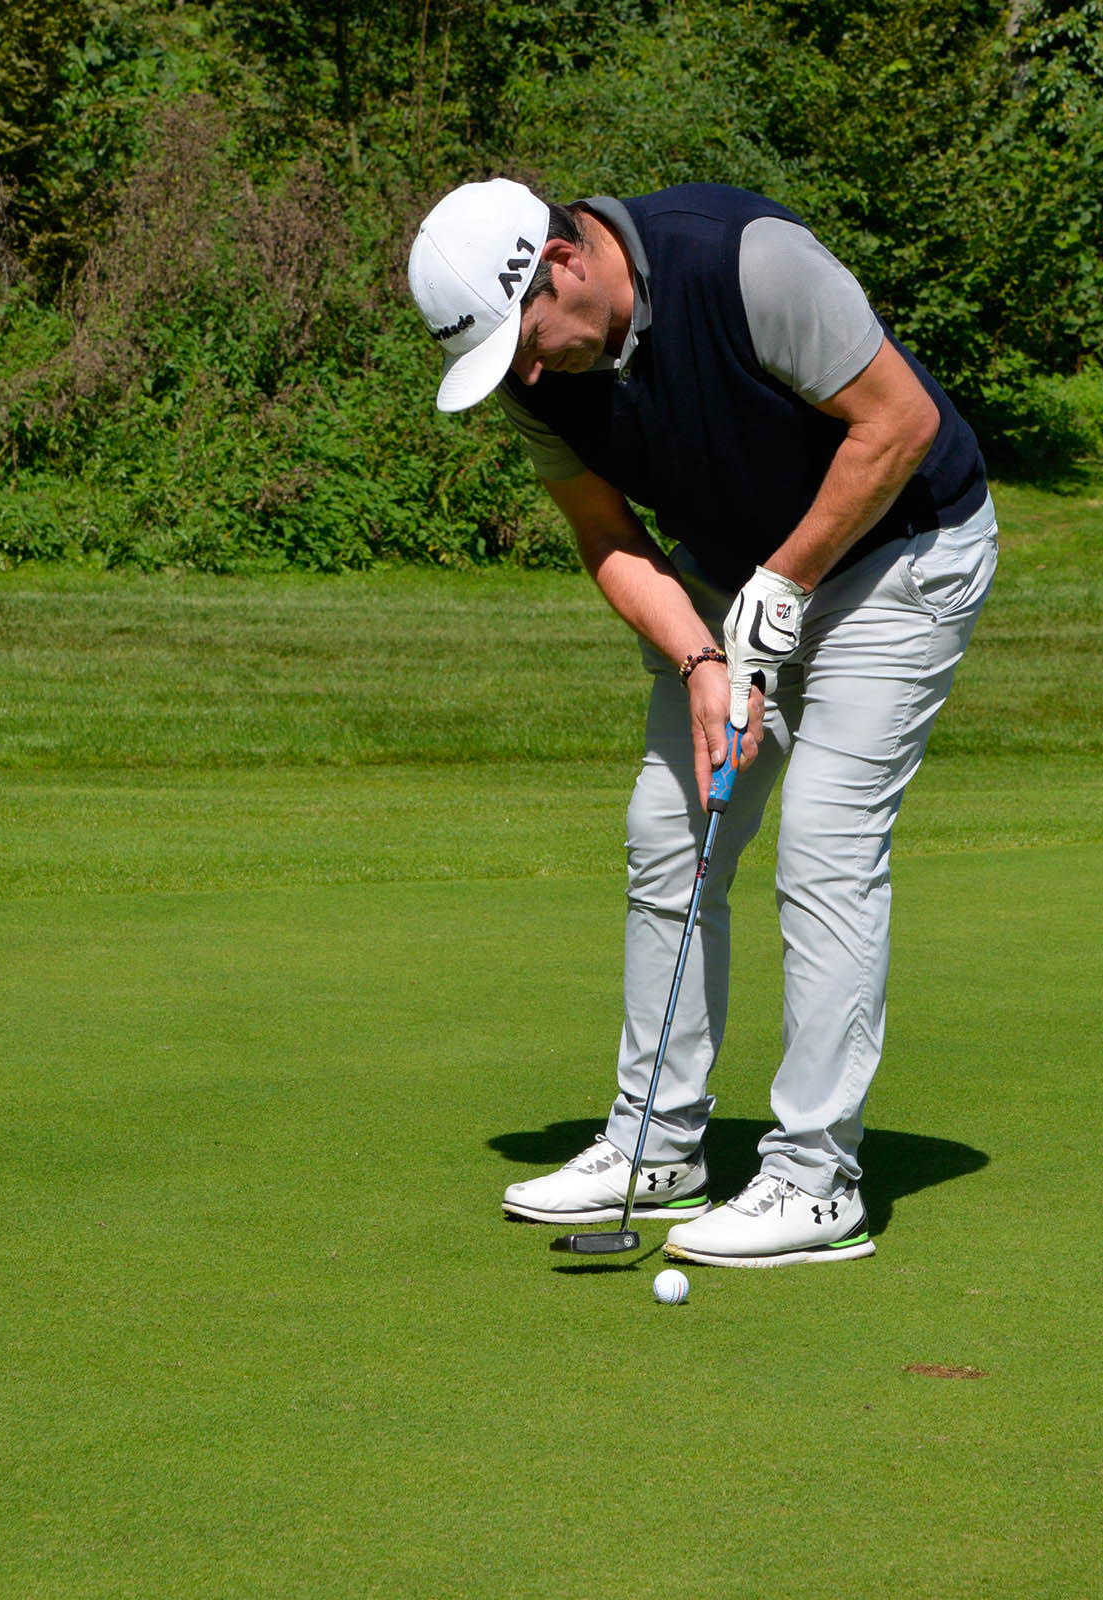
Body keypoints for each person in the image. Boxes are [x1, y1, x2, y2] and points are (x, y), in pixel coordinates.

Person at [408, 179, 996, 1267]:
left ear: (564, 265)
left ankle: (817, 1182)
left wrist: (786, 581)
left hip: (902, 549)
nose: (525, 376)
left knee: (823, 841)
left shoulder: (745, 263)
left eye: (525, 342)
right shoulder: (541, 382)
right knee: (669, 832)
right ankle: (657, 1145)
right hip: (738, 574)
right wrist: (700, 657)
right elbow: (605, 532)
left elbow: (901, 421)